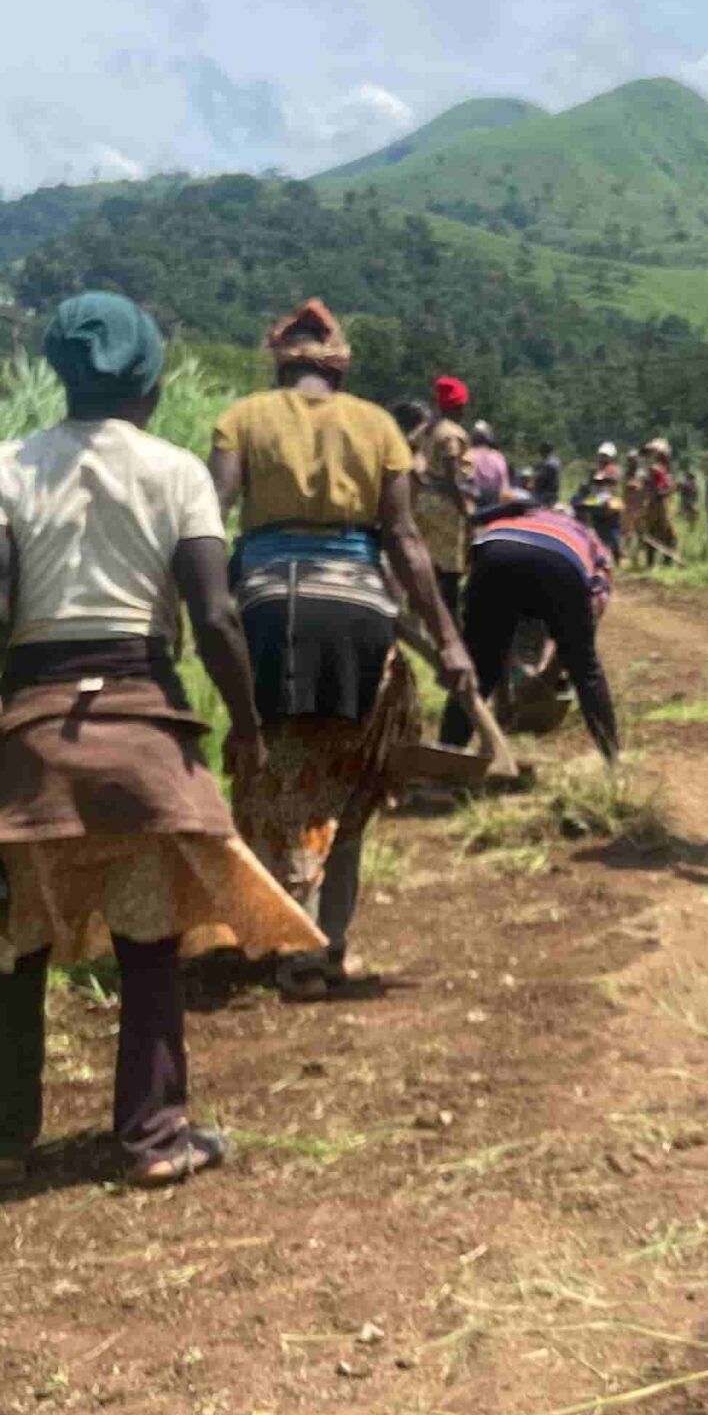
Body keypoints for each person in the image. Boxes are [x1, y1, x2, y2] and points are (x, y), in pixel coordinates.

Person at [0, 292, 325, 1189]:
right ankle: (152, 1138)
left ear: (59, 372)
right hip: (145, 738)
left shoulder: (3, 466)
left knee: (16, 944)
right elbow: (215, 616)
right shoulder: (179, 472)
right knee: (150, 945)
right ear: (150, 377)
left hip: (32, 743)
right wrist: (248, 733)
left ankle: (1, 1140)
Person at [206, 300, 475, 1000]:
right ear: (339, 367)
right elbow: (406, 543)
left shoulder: (243, 418)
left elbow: (208, 519)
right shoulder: (379, 425)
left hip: (267, 611)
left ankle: (275, 936)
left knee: (270, 768)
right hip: (360, 613)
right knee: (354, 779)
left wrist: (188, 612)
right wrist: (448, 640)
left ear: (281, 361)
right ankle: (328, 944)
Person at [441, 494, 620, 765]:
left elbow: (474, 539)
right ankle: (614, 762)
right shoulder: (590, 538)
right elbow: (596, 601)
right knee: (587, 671)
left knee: (479, 668)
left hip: (494, 552)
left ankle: (446, 757)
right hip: (560, 563)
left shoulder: (522, 514)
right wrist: (568, 656)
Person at [411, 376, 477, 613]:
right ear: (459, 406)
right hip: (447, 506)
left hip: (425, 501)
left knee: (429, 563)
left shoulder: (427, 428)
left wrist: (422, 479)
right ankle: (449, 620)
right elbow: (452, 478)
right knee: (451, 570)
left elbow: (409, 451)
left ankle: (422, 613)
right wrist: (465, 511)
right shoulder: (451, 434)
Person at [573, 442, 625, 557]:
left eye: (605, 456)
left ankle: (617, 554)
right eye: (602, 456)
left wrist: (601, 480)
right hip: (597, 501)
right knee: (597, 528)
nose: (603, 458)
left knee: (612, 531)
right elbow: (589, 485)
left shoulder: (614, 469)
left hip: (610, 501)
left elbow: (612, 483)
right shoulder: (596, 469)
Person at [635, 437, 680, 568]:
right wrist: (671, 488)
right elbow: (658, 490)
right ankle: (662, 564)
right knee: (666, 535)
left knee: (657, 534)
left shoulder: (656, 469)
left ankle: (655, 564)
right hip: (658, 505)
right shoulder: (655, 469)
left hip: (657, 504)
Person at [468, 419, 512, 508]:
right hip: (495, 502)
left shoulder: (468, 455)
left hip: (475, 501)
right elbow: (504, 485)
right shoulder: (498, 456)